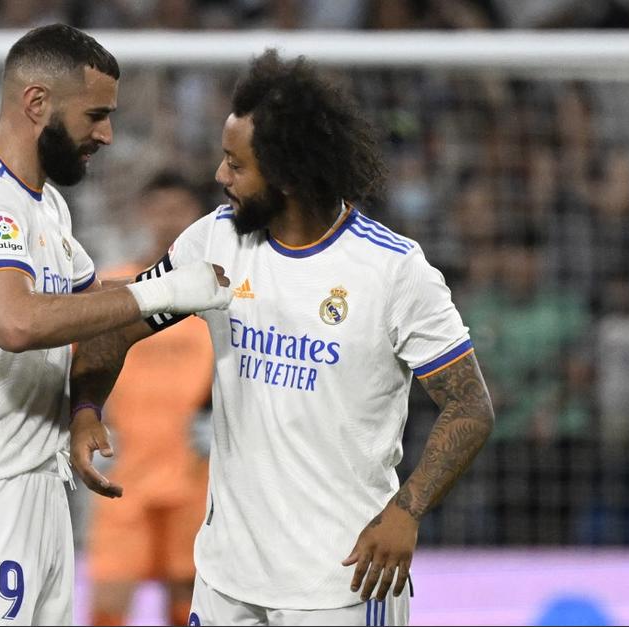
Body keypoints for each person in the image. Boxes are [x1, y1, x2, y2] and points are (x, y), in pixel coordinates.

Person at [69, 50, 495, 626]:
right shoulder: (214, 241)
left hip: (340, 582)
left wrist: (407, 510)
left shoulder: (394, 271)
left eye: (236, 165)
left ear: (290, 174)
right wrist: (88, 404)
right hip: (226, 580)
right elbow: (120, 325)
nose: (220, 178)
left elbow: (470, 406)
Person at [0, 24, 232, 626]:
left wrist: (85, 410)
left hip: (41, 486)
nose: (105, 134)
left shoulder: (47, 207)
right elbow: (18, 322)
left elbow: (99, 318)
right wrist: (165, 289)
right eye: (96, 115)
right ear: (37, 103)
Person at [86, 171, 214, 627]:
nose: (167, 221)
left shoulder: (215, 294)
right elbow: (82, 366)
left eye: (178, 210)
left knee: (190, 594)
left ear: (197, 218)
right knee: (111, 591)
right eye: (158, 209)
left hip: (194, 469)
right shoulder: (113, 288)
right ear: (142, 212)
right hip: (123, 469)